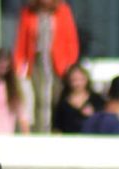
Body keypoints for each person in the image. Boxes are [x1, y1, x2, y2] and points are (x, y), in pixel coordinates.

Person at [13, 0, 80, 135]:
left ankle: (55, 128)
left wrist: (70, 61)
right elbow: (22, 39)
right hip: (37, 60)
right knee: (40, 98)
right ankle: (40, 131)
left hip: (58, 62)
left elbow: (71, 37)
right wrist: (19, 63)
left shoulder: (63, 11)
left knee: (57, 96)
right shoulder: (29, 12)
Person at [52, 63, 105, 135]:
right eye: (74, 80)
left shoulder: (96, 99)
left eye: (81, 79)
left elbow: (104, 121)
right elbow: (57, 126)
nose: (78, 83)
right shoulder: (62, 103)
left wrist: (93, 115)